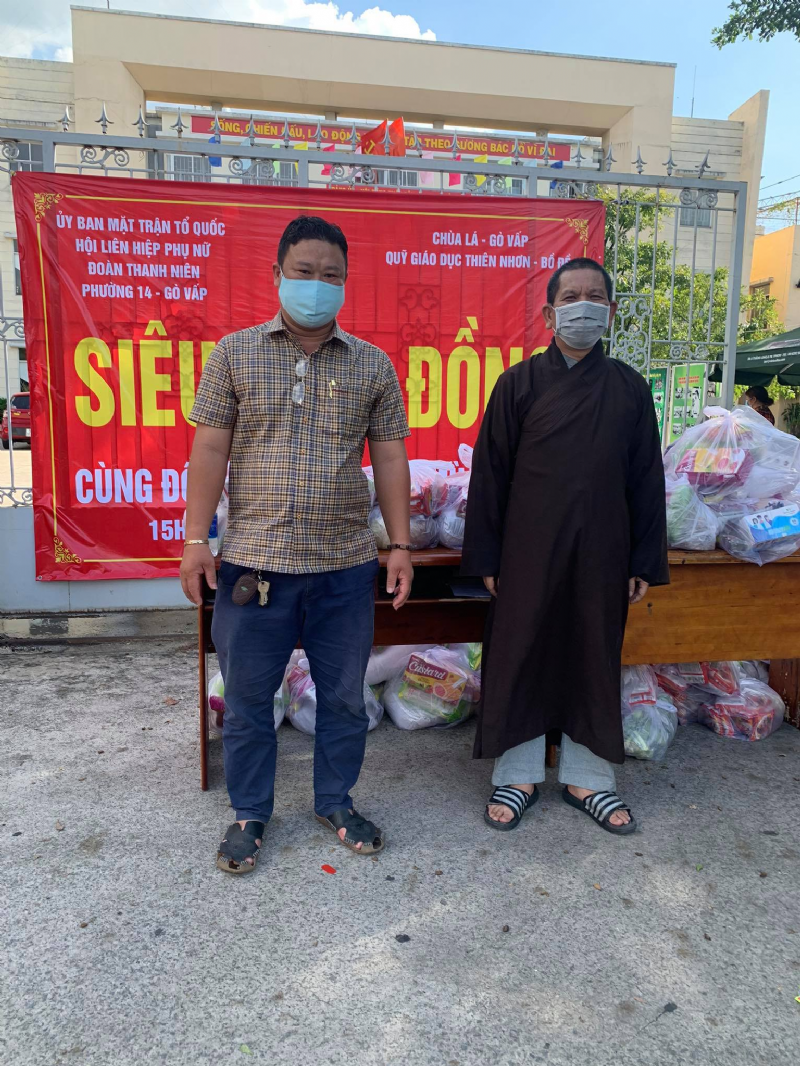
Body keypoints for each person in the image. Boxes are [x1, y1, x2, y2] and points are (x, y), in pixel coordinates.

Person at [181, 215, 413, 873]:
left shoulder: (372, 364)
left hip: (344, 567)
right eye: (304, 271)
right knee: (249, 701)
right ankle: (249, 812)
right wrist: (196, 538)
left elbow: (390, 458)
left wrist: (399, 545)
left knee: (342, 698)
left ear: (346, 282)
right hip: (254, 569)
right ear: (278, 274)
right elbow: (209, 449)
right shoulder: (234, 354)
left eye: (331, 275)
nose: (317, 284)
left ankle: (335, 801)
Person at [461, 257, 669, 837]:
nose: (584, 306)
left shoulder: (628, 388)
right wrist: (487, 556)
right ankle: (518, 775)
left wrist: (642, 558)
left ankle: (589, 779)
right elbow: (490, 474)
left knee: (592, 654)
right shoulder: (517, 384)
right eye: (571, 297)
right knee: (520, 650)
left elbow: (645, 479)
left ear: (611, 311)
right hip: (528, 549)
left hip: (603, 549)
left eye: (595, 296)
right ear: (550, 314)